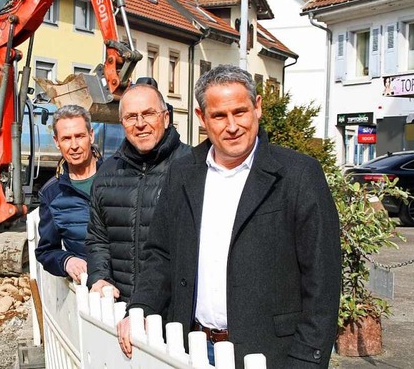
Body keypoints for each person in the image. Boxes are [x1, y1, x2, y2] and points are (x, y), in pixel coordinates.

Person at [117, 64, 341, 368]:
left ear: (257, 107)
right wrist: (140, 308)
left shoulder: (298, 175)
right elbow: (160, 253)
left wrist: (307, 359)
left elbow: (322, 280)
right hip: (192, 347)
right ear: (202, 118)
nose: (232, 125)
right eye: (219, 116)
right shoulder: (183, 172)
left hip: (270, 355)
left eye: (240, 111)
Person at [85, 84, 191, 302]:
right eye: (131, 117)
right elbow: (98, 238)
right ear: (122, 123)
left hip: (176, 311)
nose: (140, 124)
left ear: (166, 117)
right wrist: (100, 276)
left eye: (149, 114)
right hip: (121, 307)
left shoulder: (193, 167)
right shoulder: (107, 174)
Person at [35, 105, 102, 283]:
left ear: (91, 135)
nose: (74, 146)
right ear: (57, 142)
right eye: (66, 138)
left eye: (79, 136)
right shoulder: (51, 194)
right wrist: (67, 261)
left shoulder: (117, 177)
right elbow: (46, 251)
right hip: (88, 289)